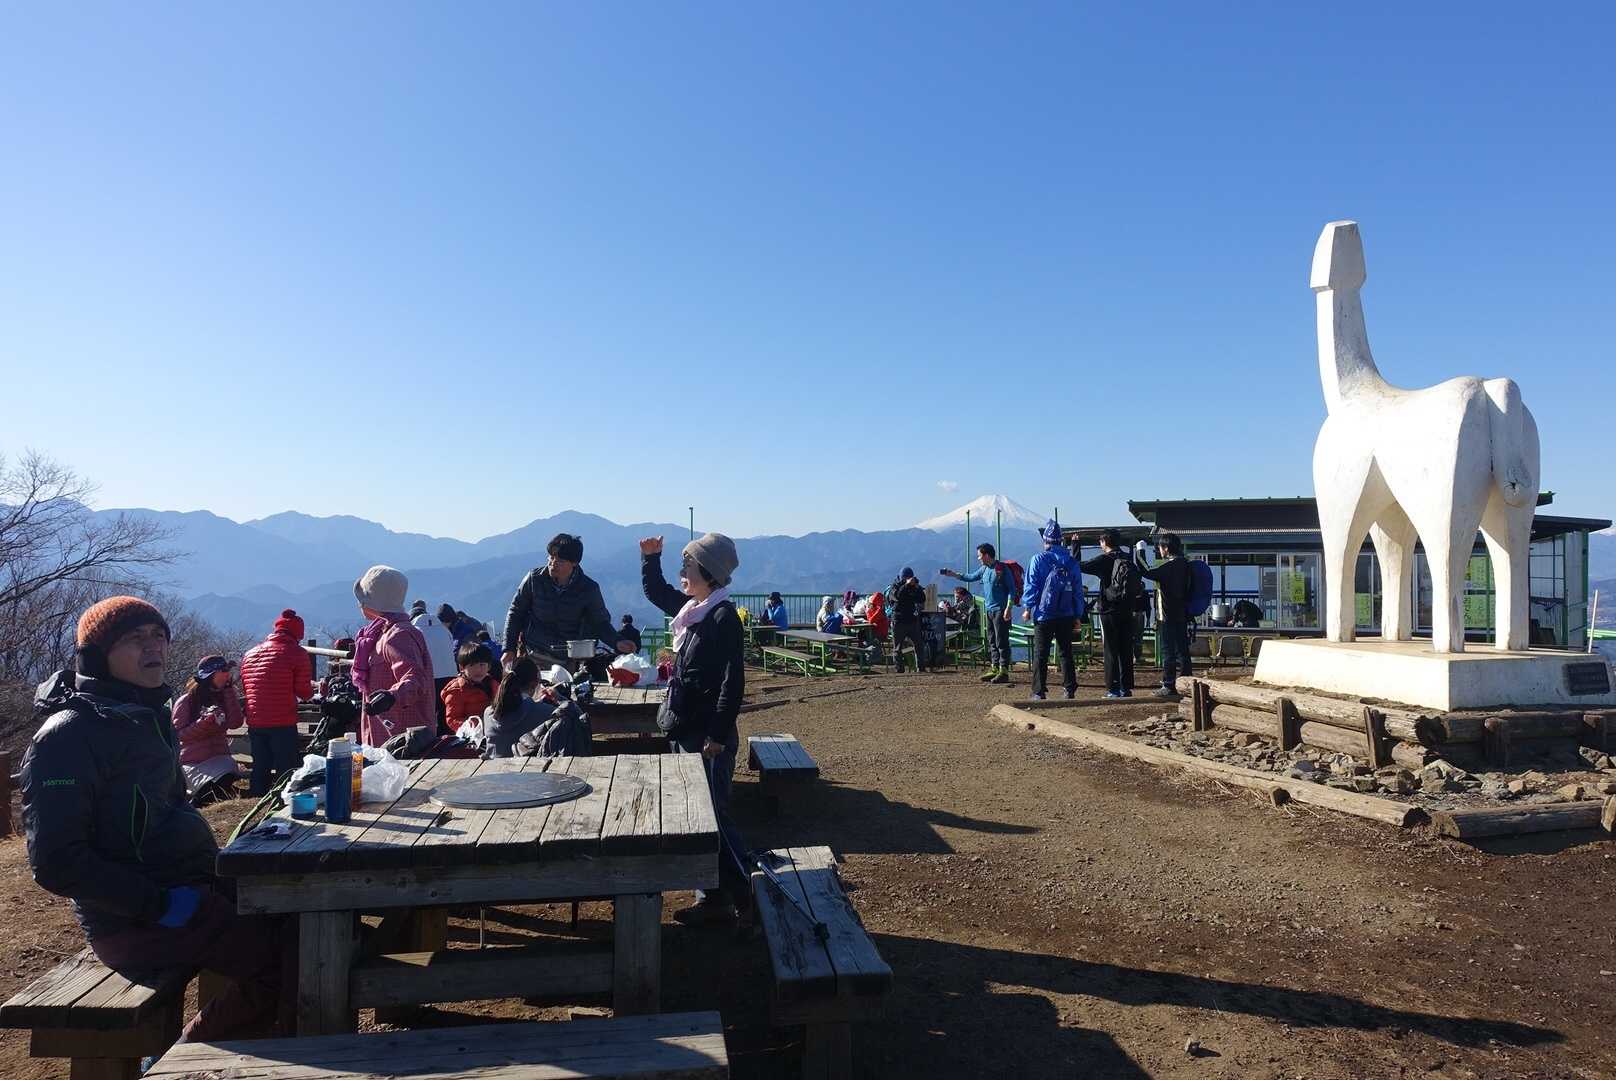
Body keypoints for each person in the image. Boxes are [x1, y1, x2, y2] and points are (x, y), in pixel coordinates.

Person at [21, 596, 287, 1041]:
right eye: (134, 638)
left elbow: (166, 812)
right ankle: (181, 1063)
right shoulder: (68, 736)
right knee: (296, 962)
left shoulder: (146, 717)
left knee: (302, 921)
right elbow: (56, 862)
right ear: (96, 656)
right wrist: (159, 904)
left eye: (158, 636)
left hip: (189, 889)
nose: (153, 647)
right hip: (135, 920)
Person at [639, 531, 750, 927]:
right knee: (698, 817)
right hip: (686, 730)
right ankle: (712, 898)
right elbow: (656, 592)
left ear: (709, 572)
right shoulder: (695, 609)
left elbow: (732, 684)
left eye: (688, 566)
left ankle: (748, 898)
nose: (682, 573)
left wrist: (717, 736)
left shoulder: (722, 618)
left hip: (706, 738)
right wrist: (651, 559)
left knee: (714, 818)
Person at [503, 533, 621, 673]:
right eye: (551, 557)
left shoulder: (588, 589)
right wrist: (508, 648)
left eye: (560, 561)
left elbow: (600, 622)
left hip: (567, 660)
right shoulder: (534, 580)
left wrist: (617, 642)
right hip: (532, 654)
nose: (553, 563)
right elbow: (515, 613)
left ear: (574, 563)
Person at [352, 566, 435, 746]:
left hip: (402, 740)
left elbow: (415, 678)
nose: (359, 604)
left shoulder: (397, 635)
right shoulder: (382, 632)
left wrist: (391, 696)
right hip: (389, 735)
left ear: (373, 602)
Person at [238, 609, 313, 795]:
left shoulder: (250, 654)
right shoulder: (297, 653)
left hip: (255, 719)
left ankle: (258, 796)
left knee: (260, 763)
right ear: (298, 633)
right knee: (285, 766)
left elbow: (248, 688)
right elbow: (304, 692)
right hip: (282, 720)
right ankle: (283, 799)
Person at [1022, 521, 1084, 700]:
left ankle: (1038, 691)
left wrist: (1027, 608)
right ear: (1061, 541)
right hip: (1066, 614)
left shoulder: (1038, 559)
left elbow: (1031, 586)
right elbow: (1077, 591)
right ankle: (1069, 689)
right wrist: (1077, 615)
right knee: (1066, 652)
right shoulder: (1071, 561)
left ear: (1045, 541)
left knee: (1041, 654)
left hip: (1044, 615)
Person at [171, 655, 245, 805]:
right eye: (222, 671)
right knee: (215, 787)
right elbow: (178, 735)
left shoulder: (223, 697)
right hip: (194, 762)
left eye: (227, 671)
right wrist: (203, 723)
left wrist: (229, 692)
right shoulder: (186, 701)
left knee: (226, 775)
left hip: (220, 759)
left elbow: (235, 723)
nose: (227, 675)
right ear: (210, 676)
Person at [942, 542, 1015, 684]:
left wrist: (1008, 608)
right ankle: (995, 668)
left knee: (1001, 641)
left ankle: (1004, 671)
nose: (978, 558)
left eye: (979, 556)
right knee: (992, 640)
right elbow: (970, 577)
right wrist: (953, 574)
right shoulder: (984, 569)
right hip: (989, 610)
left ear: (986, 555)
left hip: (1000, 610)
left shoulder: (1002, 569)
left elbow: (1012, 589)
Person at [1080, 529, 1140, 698]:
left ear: (1104, 542)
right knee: (1125, 648)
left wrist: (1075, 545)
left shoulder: (1103, 559)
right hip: (1127, 608)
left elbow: (1079, 565)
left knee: (1111, 648)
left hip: (1109, 609)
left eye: (1100, 541)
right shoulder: (1127, 557)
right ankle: (1126, 687)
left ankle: (1113, 688)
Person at [1138, 532, 1194, 699]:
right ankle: (1187, 684)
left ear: (1166, 548)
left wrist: (1140, 551)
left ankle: (1169, 685)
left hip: (1167, 615)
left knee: (1168, 651)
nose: (1159, 550)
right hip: (1182, 614)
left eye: (1160, 547)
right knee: (1182, 651)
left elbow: (1146, 571)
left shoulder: (1169, 566)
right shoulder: (1186, 565)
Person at [411, 600, 458, 735]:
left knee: (427, 714)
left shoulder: (413, 631)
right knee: (445, 711)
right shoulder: (443, 629)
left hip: (429, 677)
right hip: (450, 675)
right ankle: (447, 740)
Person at [441, 641, 500, 736]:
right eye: (472, 665)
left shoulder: (493, 684)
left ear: (489, 666)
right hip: (471, 735)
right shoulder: (457, 690)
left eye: (482, 665)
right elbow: (453, 719)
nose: (478, 669)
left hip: (493, 731)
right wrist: (476, 726)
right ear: (462, 667)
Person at [891, 567, 927, 673]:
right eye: (906, 578)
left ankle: (921, 668)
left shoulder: (913, 587)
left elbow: (922, 599)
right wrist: (906, 585)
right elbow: (898, 597)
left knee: (919, 645)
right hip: (899, 620)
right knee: (898, 647)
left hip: (912, 620)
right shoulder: (895, 586)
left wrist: (917, 587)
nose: (908, 579)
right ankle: (899, 669)